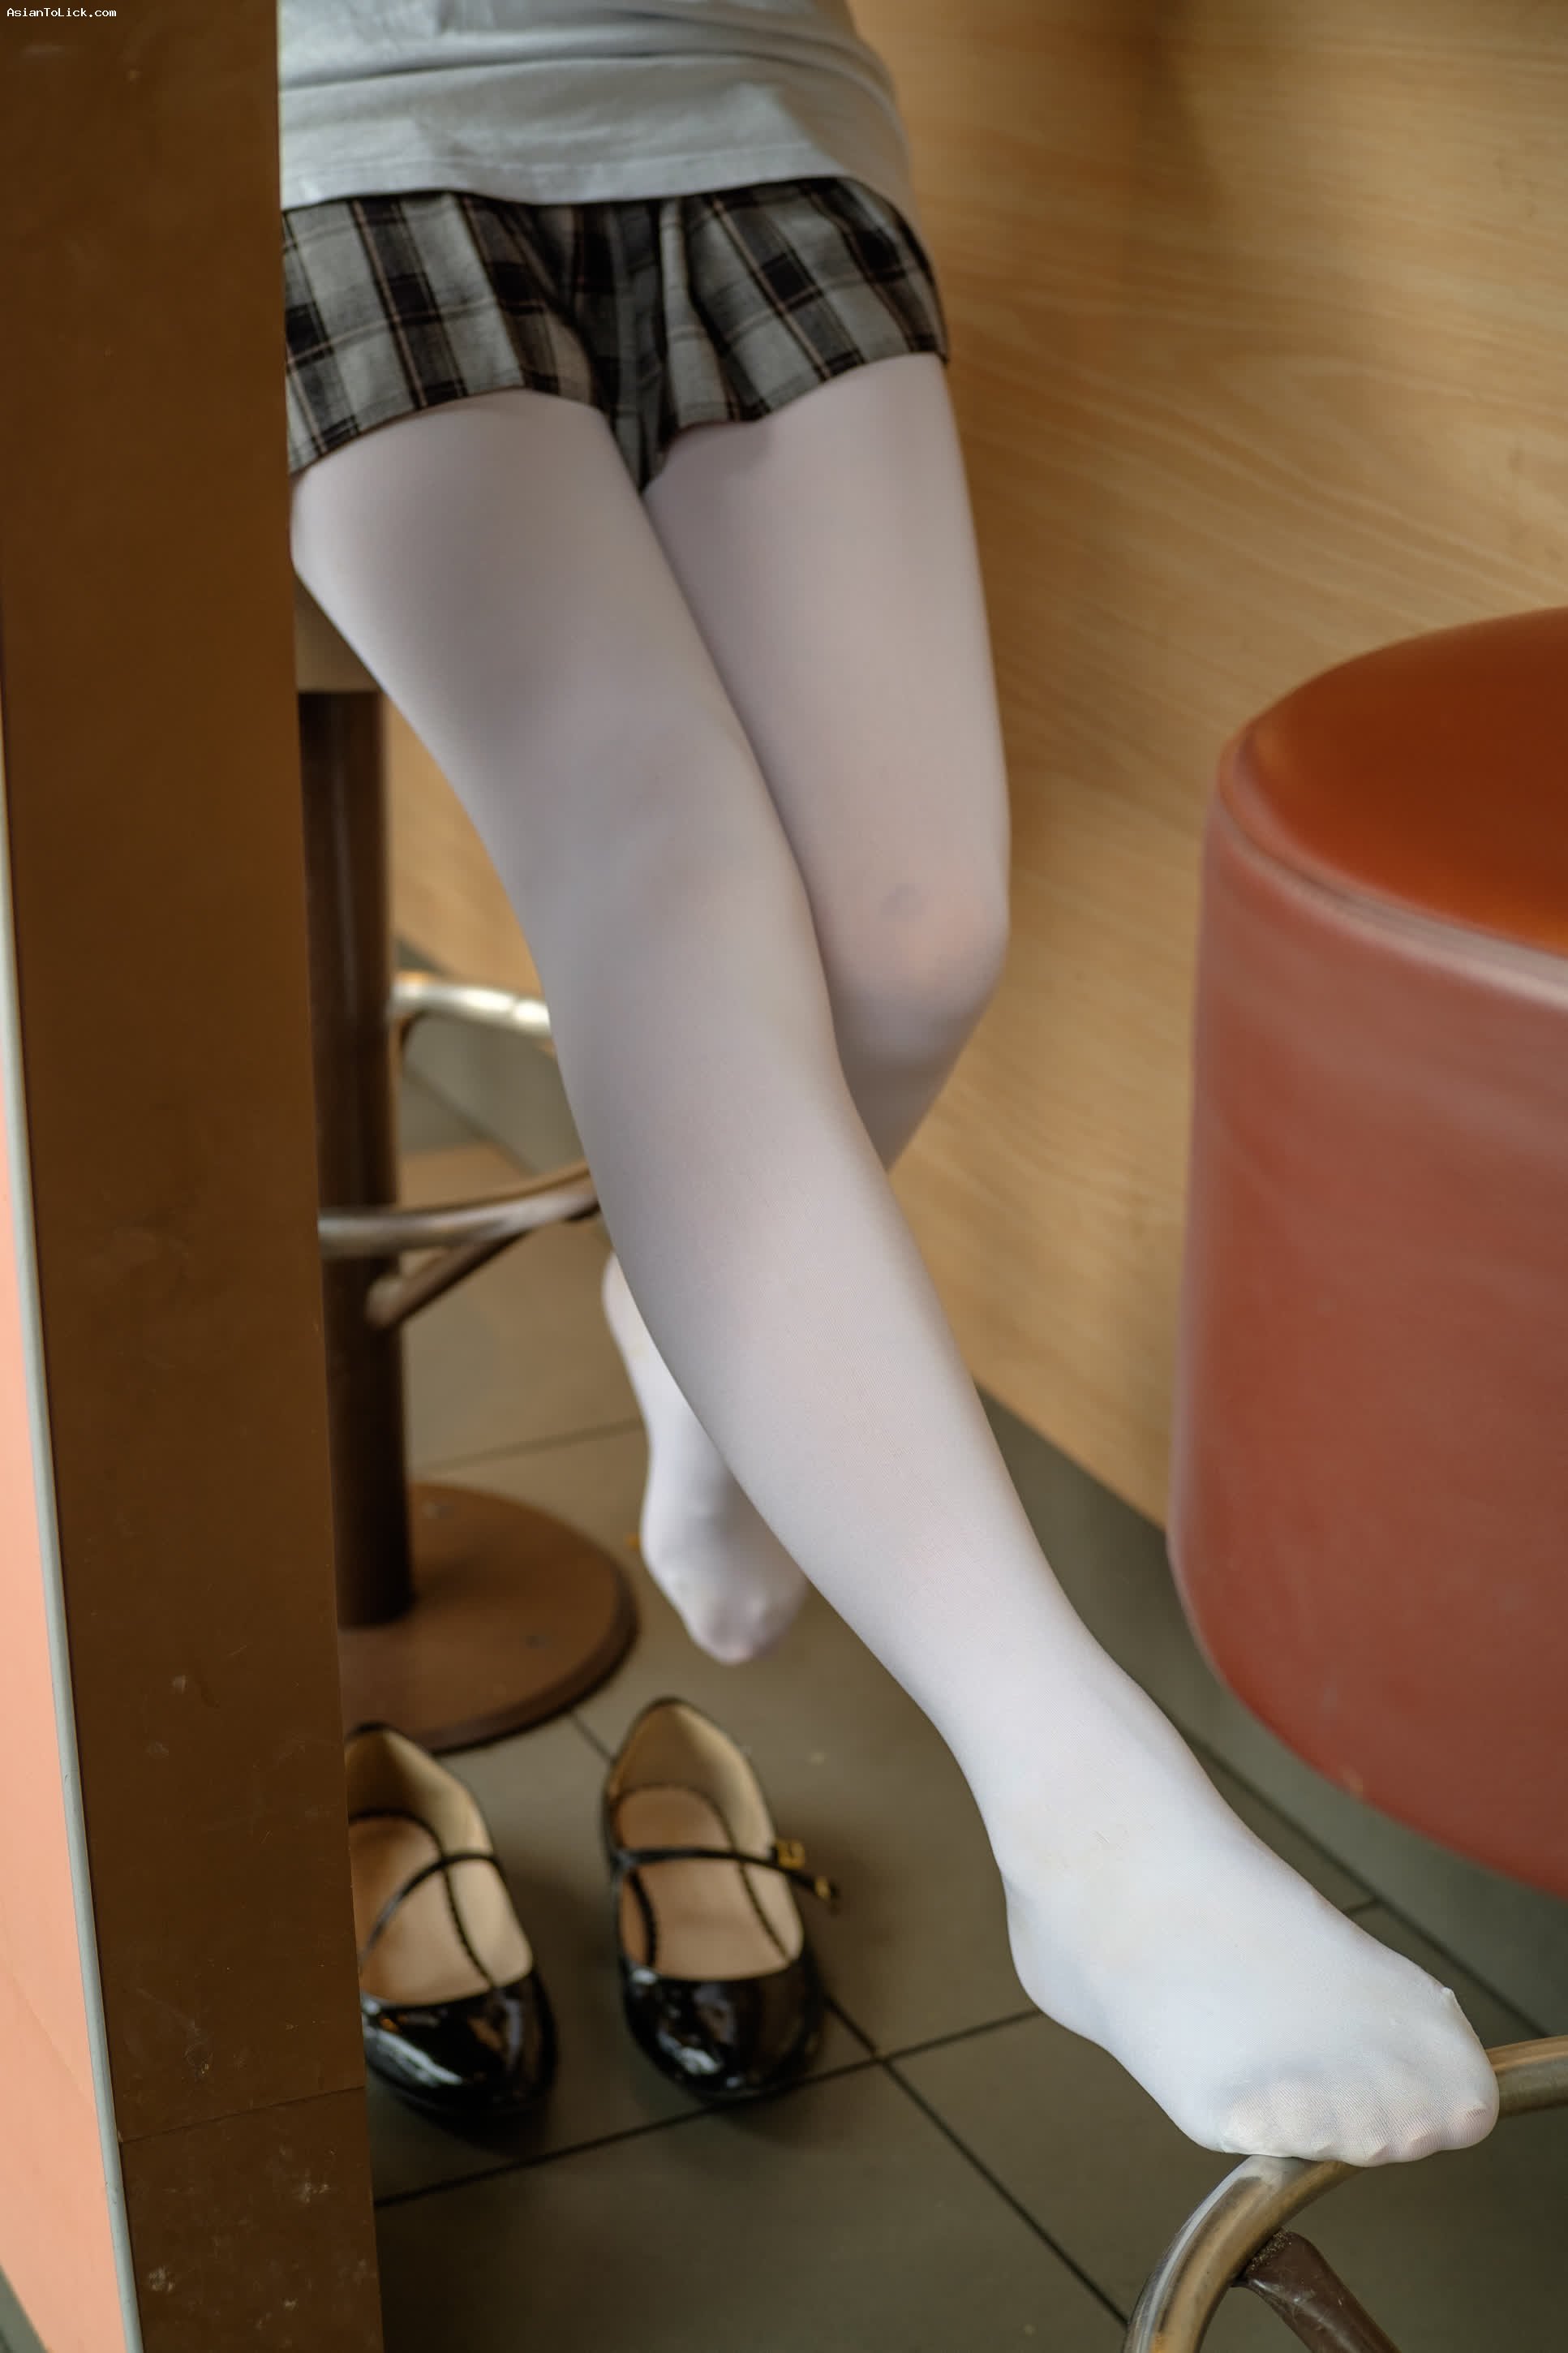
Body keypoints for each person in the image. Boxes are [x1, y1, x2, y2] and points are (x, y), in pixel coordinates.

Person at [281, 0, 1499, 2166]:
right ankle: (1083, 1809)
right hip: (328, 120)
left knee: (918, 938)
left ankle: (691, 1322)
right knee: (655, 857)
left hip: (744, 89)